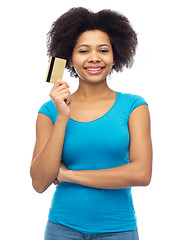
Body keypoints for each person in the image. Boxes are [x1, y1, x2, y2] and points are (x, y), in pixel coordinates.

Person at [30, 7, 152, 240]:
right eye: (83, 50)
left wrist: (69, 175)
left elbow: (142, 173)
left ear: (115, 56)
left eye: (103, 50)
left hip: (119, 230)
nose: (94, 58)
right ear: (69, 57)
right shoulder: (50, 112)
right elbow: (39, 181)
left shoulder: (134, 106)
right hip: (62, 229)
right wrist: (63, 116)